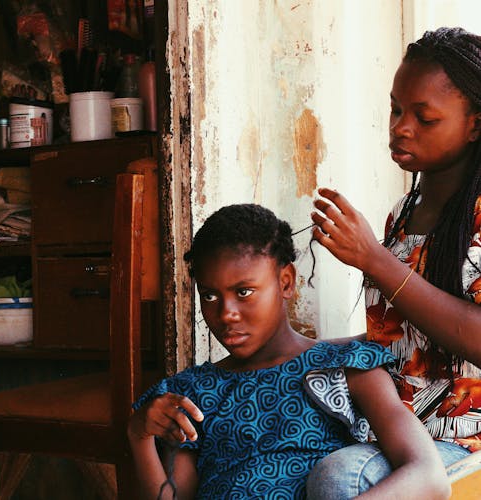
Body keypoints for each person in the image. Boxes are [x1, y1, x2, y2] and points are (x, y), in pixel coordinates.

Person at [127, 204, 450, 499]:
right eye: (209, 296)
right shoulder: (193, 392)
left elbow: (427, 476)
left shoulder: (345, 367)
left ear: (285, 282)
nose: (226, 313)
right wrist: (139, 435)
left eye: (244, 292)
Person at [307, 26, 481, 498]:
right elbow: (402, 339)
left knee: (340, 478)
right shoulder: (405, 214)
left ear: (474, 124)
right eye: (396, 109)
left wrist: (375, 260)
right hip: (400, 428)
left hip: (466, 439)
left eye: (424, 118)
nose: (401, 127)